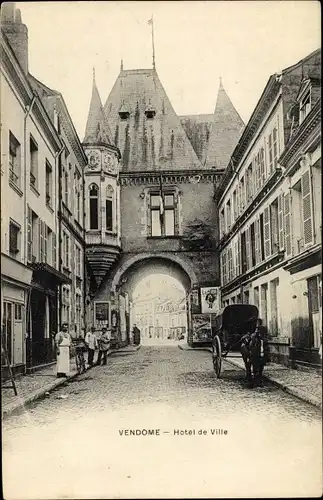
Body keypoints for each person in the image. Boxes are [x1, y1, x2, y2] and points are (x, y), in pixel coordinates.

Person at [250, 318, 270, 387]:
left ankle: (259, 381)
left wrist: (266, 354)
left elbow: (267, 346)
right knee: (255, 368)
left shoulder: (264, 338)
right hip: (256, 355)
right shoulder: (254, 337)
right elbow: (251, 346)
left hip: (262, 354)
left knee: (261, 368)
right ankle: (255, 381)